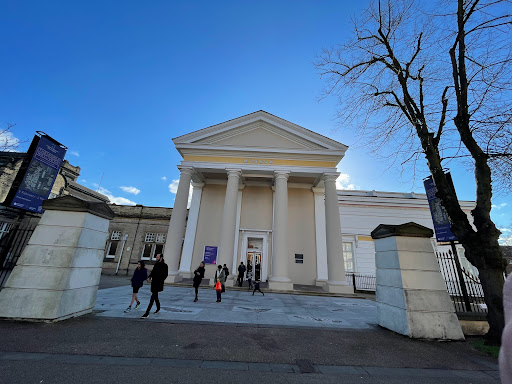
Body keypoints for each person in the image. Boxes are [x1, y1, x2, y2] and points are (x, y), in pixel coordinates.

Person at [141, 254, 168, 318]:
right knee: (155, 296)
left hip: (159, 283)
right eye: (156, 257)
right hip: (154, 282)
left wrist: (161, 279)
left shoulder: (164, 265)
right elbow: (153, 272)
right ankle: (158, 308)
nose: (156, 258)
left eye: (157, 257)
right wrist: (149, 277)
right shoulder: (156, 264)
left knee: (152, 297)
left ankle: (147, 313)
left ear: (161, 258)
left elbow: (165, 274)